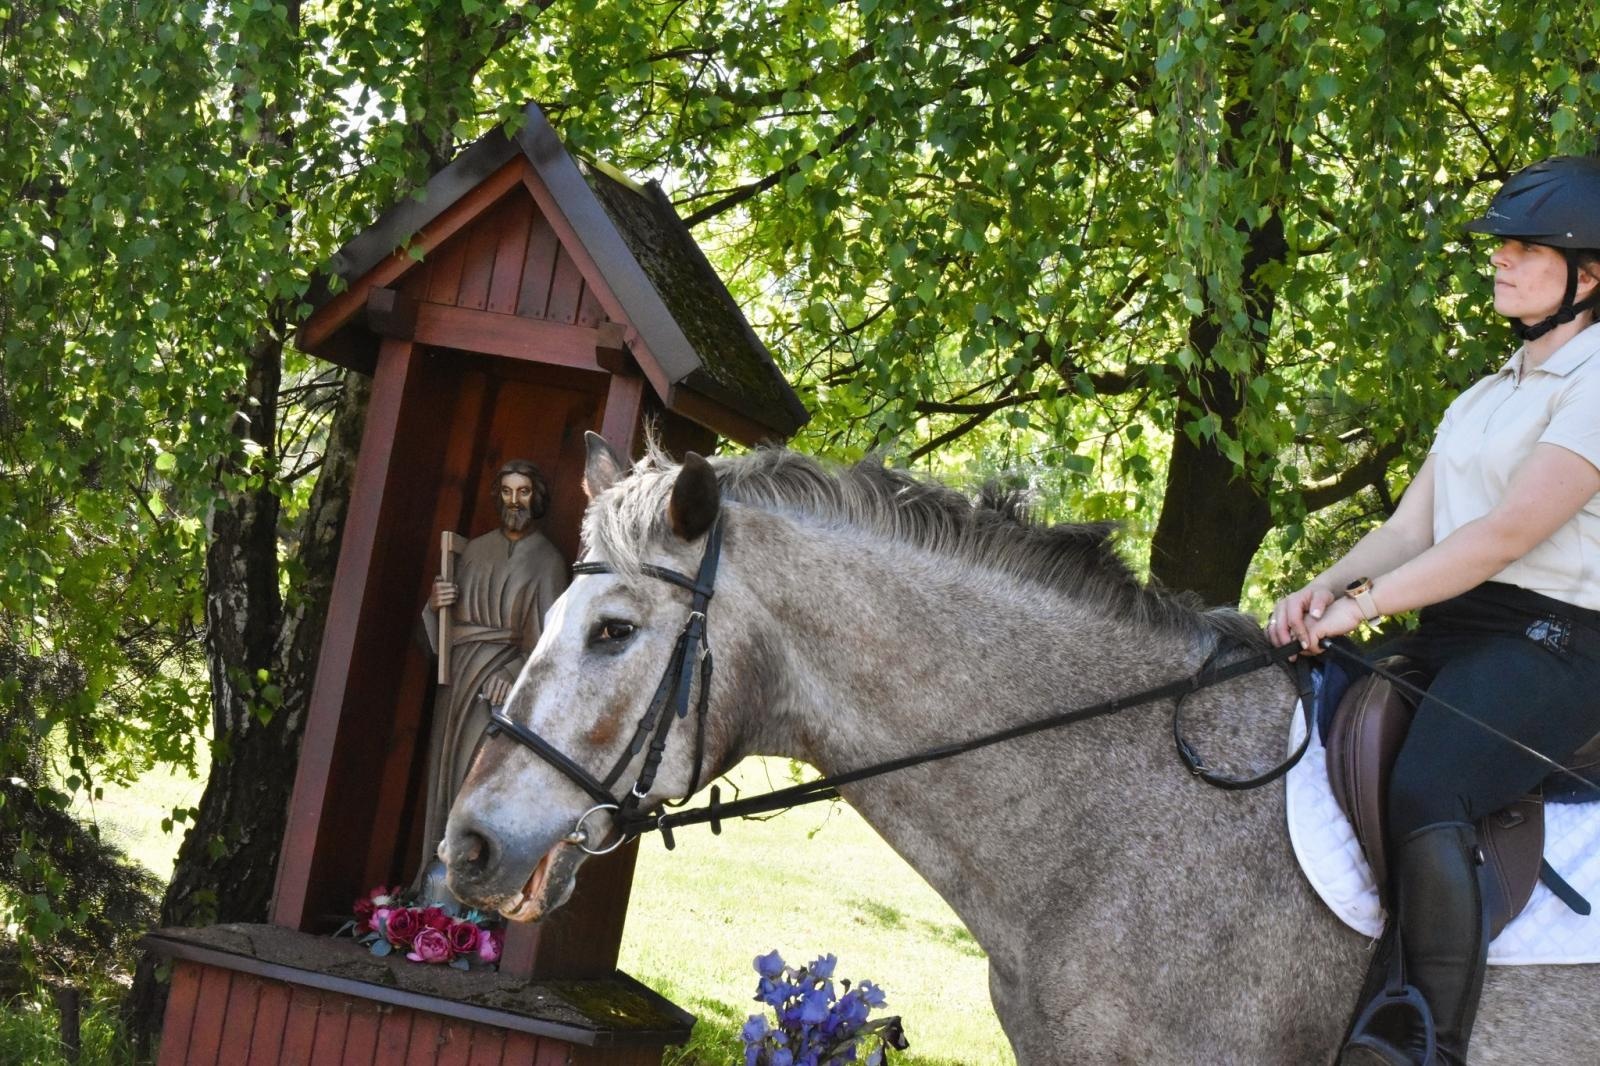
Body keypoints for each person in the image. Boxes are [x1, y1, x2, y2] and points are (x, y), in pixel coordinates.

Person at [1270, 155, 1600, 1066]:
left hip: (1559, 640)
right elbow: (1414, 525)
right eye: (1501, 246)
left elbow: (1499, 537)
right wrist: (1327, 588)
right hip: (1461, 624)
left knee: (1431, 784)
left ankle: (1418, 1039)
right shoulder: (1490, 391)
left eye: (1526, 249)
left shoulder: (1599, 382)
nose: (1500, 261)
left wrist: (1365, 608)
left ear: (1590, 273)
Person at [414, 459, 568, 903]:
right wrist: (436, 603)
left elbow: (550, 643)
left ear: (535, 498)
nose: (514, 501)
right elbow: (438, 633)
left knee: (474, 776)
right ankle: (433, 880)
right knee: (444, 774)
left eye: (523, 492)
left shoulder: (548, 561)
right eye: (506, 492)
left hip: (498, 690)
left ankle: (469, 884)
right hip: (459, 680)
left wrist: (512, 672)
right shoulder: (475, 550)